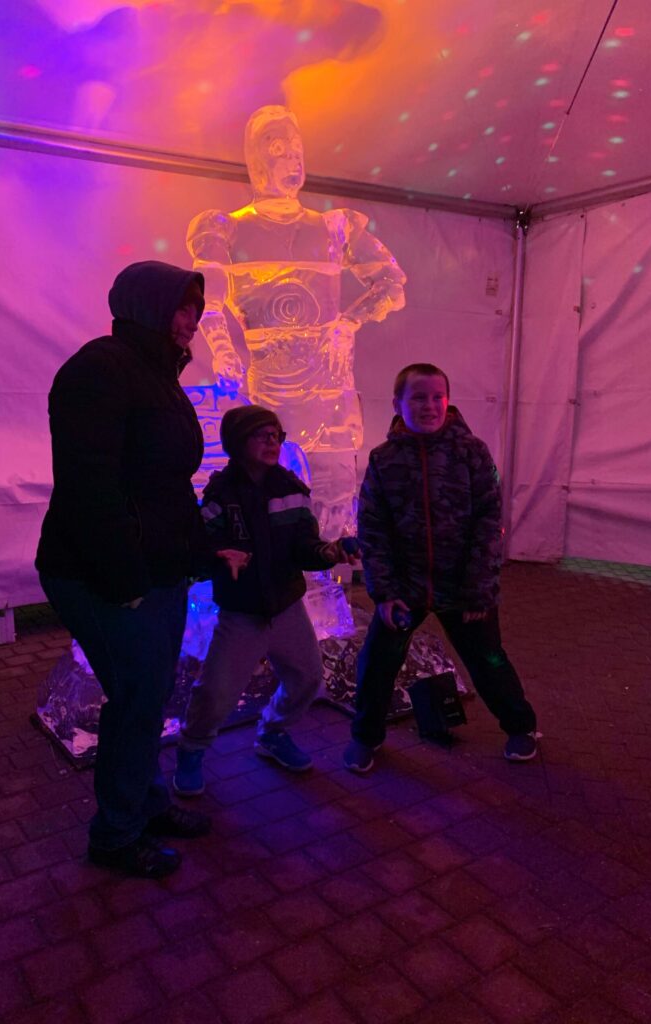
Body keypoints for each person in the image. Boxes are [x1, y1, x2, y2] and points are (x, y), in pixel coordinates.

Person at [36, 260, 247, 879]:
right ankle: (116, 835)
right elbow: (90, 489)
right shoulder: (99, 370)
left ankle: (145, 804)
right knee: (136, 700)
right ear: (146, 305)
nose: (191, 321)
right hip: (103, 575)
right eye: (181, 307)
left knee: (148, 698)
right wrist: (125, 581)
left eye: (196, 310)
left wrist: (200, 556)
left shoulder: (158, 375)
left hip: (153, 574)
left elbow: (167, 490)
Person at [186, 104, 406, 539]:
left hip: (330, 390)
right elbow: (207, 298)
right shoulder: (227, 229)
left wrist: (349, 322)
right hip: (270, 394)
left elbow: (391, 282)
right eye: (278, 149)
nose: (292, 160)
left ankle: (326, 574)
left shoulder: (334, 228)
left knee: (333, 501)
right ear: (256, 159)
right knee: (268, 499)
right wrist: (223, 348)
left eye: (297, 150)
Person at [343, 363, 539, 773]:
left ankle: (521, 727)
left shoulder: (472, 453)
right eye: (418, 397)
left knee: (489, 661)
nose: (429, 405)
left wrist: (479, 590)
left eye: (438, 397)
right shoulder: (384, 460)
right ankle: (365, 737)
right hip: (406, 589)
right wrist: (385, 592)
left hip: (464, 588)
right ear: (398, 404)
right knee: (377, 662)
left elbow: (489, 522)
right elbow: (373, 529)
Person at [174, 404, 356, 796]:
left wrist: (330, 552)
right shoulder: (220, 496)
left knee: (307, 678)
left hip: (287, 607)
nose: (273, 441)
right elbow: (199, 550)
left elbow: (305, 547)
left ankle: (273, 732)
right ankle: (191, 749)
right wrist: (217, 558)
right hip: (241, 613)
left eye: (276, 435)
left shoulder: (292, 490)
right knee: (216, 692)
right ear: (238, 442)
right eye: (262, 434)